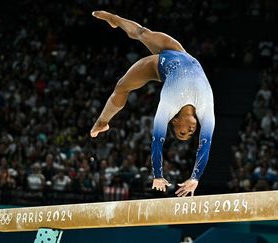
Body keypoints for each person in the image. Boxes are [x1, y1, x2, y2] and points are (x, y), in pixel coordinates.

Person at [90, 11, 215, 197]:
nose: (189, 131)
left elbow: (157, 141)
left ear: (174, 122)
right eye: (190, 133)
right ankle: (114, 19)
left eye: (182, 133)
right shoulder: (206, 109)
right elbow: (205, 144)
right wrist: (195, 178)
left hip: (158, 66)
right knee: (143, 32)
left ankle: (102, 121)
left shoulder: (168, 105)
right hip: (181, 53)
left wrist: (158, 175)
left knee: (122, 86)